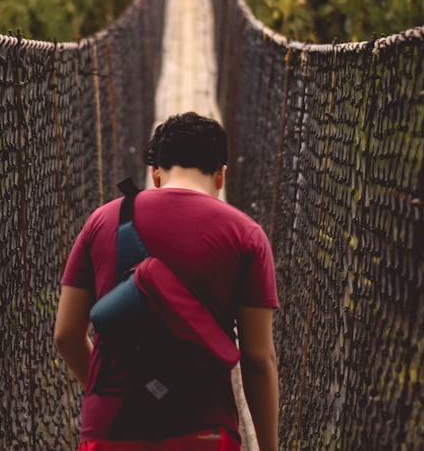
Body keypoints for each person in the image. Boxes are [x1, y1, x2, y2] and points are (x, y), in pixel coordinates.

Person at [55, 112, 279, 451]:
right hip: (203, 429)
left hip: (110, 429)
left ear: (155, 174)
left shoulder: (100, 222)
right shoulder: (246, 235)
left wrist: (120, 392)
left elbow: (66, 335)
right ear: (221, 176)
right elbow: (258, 359)